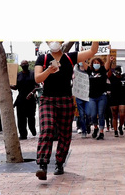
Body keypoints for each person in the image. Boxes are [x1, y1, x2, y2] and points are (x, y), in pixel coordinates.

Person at [34, 41, 99, 180]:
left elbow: (93, 51)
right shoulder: (43, 58)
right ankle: (43, 165)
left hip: (65, 100)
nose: (54, 41)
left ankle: (59, 163)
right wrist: (48, 71)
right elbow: (37, 78)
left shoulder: (70, 57)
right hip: (47, 99)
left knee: (65, 133)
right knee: (47, 129)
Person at [11, 60, 38, 140]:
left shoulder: (33, 74)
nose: (24, 65)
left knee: (31, 117)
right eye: (23, 64)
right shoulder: (18, 75)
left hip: (30, 100)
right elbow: (15, 87)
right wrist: (9, 85)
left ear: (28, 65)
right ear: (21, 66)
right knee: (21, 118)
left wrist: (31, 93)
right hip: (21, 100)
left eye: (25, 64)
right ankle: (23, 134)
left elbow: (37, 86)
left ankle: (32, 129)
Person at [86, 53, 111, 140]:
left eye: (97, 62)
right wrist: (83, 53)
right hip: (92, 97)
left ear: (100, 63)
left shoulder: (103, 70)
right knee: (92, 115)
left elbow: (108, 63)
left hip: (102, 96)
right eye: (94, 62)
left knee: (101, 114)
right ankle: (95, 127)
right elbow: (83, 62)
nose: (96, 64)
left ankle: (101, 132)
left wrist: (108, 52)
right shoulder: (89, 71)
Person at [107, 63, 125, 137]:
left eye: (119, 70)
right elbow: (108, 72)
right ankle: (115, 130)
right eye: (116, 70)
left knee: (122, 114)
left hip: (123, 98)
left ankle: (120, 126)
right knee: (114, 115)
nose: (118, 72)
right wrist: (110, 63)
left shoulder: (124, 79)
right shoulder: (112, 78)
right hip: (114, 98)